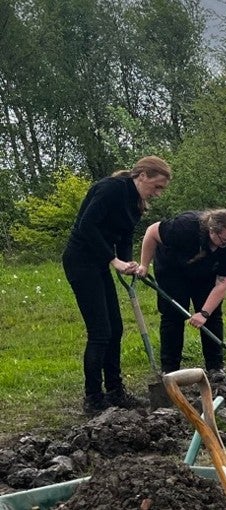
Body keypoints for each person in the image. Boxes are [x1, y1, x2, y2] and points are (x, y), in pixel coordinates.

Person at [62, 156, 172, 414]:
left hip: (99, 263)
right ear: (142, 175)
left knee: (116, 328)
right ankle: (93, 399)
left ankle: (115, 390)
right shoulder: (110, 189)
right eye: (156, 186)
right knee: (100, 331)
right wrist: (113, 260)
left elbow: (123, 236)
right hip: (80, 261)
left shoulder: (135, 203)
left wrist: (127, 262)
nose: (158, 193)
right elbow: (87, 226)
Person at [137, 209, 226, 381]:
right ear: (212, 231)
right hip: (172, 271)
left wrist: (204, 313)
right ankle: (170, 370)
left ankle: (215, 367)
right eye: (225, 240)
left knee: (213, 316)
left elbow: (223, 284)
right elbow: (152, 231)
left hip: (205, 274)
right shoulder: (184, 227)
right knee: (173, 317)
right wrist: (143, 265)